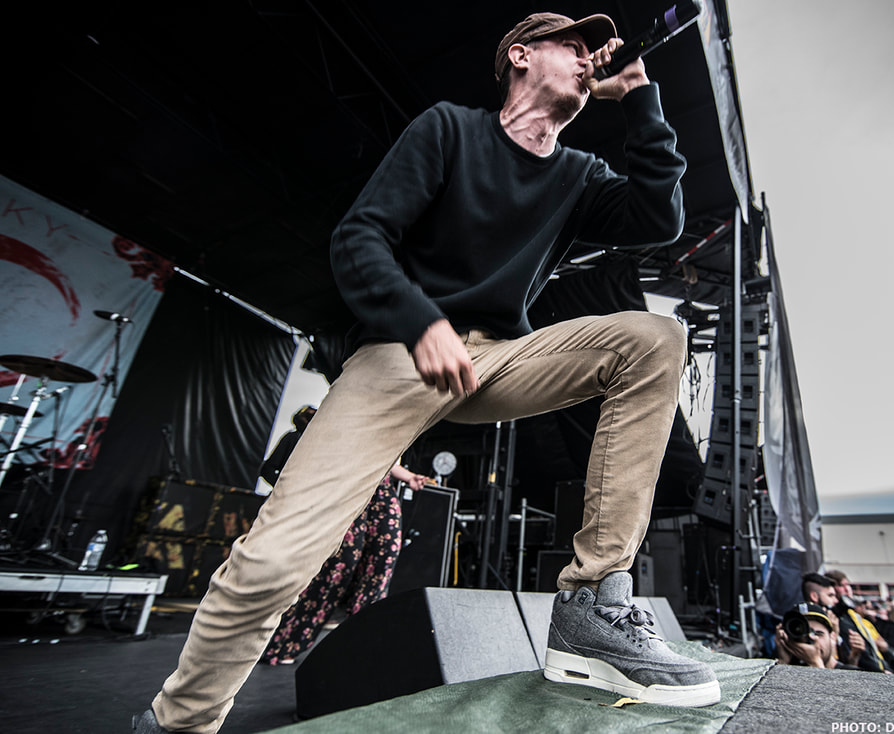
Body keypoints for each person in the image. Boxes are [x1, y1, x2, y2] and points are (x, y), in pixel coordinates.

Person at [134, 10, 716, 732]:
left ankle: (593, 600)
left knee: (654, 338)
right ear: (520, 55)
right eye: (572, 44)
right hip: (398, 353)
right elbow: (361, 237)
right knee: (271, 566)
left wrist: (638, 96)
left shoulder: (578, 175)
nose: (586, 56)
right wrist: (420, 321)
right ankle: (179, 722)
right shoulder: (450, 130)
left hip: (496, 358)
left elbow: (659, 218)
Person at [261, 462, 428, 665]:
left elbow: (389, 458)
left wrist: (408, 476)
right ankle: (284, 642)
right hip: (350, 480)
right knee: (338, 567)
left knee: (382, 563)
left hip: (381, 485)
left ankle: (359, 647)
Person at [825, 569, 887, 672]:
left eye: (847, 585)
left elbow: (872, 646)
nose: (847, 589)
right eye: (841, 585)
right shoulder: (836, 617)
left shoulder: (852, 614)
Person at [775, 602, 860, 670]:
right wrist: (783, 663)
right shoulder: (786, 670)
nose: (811, 639)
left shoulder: (852, 673)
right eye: (802, 634)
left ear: (832, 637)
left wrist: (815, 662)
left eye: (818, 634)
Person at [257, 405, 316, 489]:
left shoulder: (321, 443)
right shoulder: (293, 438)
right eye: (309, 416)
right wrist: (284, 487)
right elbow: (267, 470)